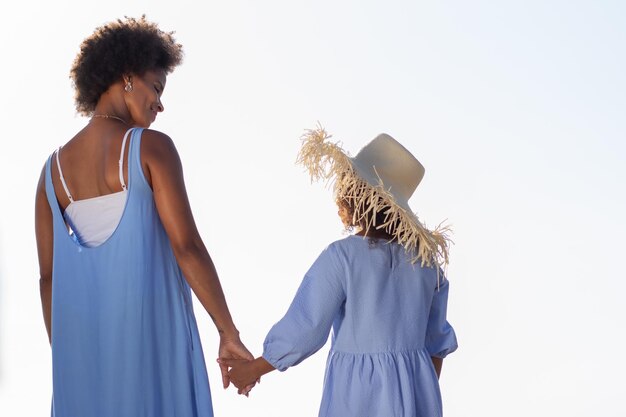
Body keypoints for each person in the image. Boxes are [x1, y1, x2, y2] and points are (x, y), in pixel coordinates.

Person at [34, 16, 252, 417]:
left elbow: (49, 280)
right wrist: (227, 331)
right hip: (153, 350)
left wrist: (70, 360)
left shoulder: (51, 175)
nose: (160, 103)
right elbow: (186, 247)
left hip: (84, 369)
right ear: (128, 77)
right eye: (157, 87)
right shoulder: (152, 149)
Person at [219, 126, 458, 416]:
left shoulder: (342, 257)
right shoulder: (427, 264)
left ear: (359, 193)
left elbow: (306, 327)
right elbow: (436, 346)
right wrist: (416, 392)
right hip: (419, 397)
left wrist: (253, 369)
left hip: (359, 396)